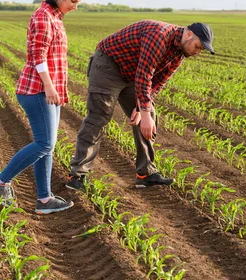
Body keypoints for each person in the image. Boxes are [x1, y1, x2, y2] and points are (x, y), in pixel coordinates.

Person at [65, 20, 215, 190]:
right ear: (189, 34)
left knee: (149, 113)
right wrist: (142, 113)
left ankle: (146, 173)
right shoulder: (159, 35)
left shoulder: (179, 53)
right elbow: (145, 75)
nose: (197, 52)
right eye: (198, 47)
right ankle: (77, 175)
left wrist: (140, 109)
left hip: (132, 73)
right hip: (108, 66)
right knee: (98, 117)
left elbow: (158, 82)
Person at [0, 0, 85, 214]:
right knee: (44, 143)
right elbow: (37, 56)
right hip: (37, 90)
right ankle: (0, 182)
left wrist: (57, 88)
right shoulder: (43, 17)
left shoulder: (55, 17)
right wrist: (50, 87)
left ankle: (44, 199)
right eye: (73, 1)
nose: (75, 6)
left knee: (47, 147)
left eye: (78, 2)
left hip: (49, 91)